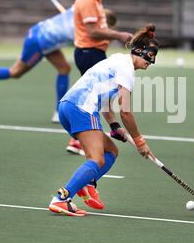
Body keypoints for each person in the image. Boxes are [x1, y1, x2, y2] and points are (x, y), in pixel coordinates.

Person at [48, 24, 159, 216]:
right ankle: (62, 199)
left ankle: (86, 183)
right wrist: (140, 141)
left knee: (111, 151)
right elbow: (126, 112)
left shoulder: (117, 60)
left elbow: (106, 100)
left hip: (68, 106)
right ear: (140, 51)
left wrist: (115, 127)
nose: (151, 62)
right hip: (82, 109)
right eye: (150, 57)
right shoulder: (127, 70)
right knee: (96, 159)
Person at [0, 5, 117, 124]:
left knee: (64, 69)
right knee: (15, 72)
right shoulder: (87, 27)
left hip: (42, 35)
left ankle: (57, 111)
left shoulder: (80, 8)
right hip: (38, 42)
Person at [66, 0, 133, 154]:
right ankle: (78, 140)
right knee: (92, 99)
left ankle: (106, 129)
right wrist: (118, 35)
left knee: (99, 96)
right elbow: (93, 31)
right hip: (89, 53)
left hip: (93, 52)